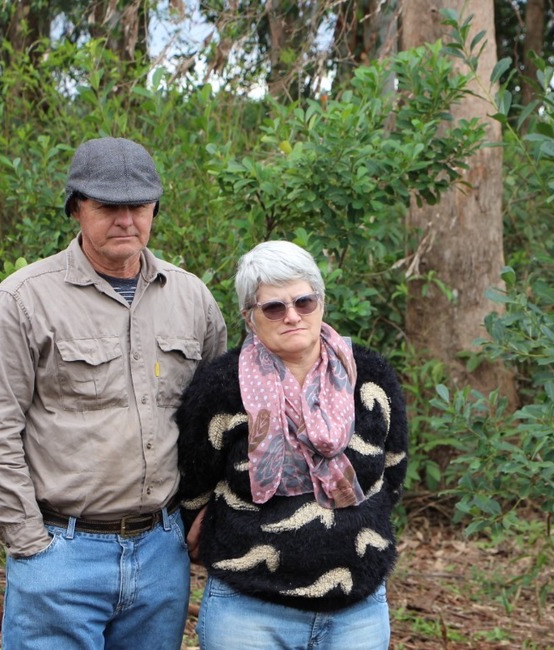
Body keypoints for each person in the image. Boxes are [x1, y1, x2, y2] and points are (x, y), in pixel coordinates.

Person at [0, 137, 229, 648]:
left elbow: (217, 419)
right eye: (108, 206)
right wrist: (32, 546)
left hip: (160, 557)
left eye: (139, 206)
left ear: (155, 209)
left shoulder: (192, 299)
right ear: (76, 208)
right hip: (61, 554)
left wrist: (205, 512)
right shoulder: (23, 301)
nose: (126, 220)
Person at [174, 240, 409, 650]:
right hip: (248, 611)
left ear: (321, 303)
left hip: (357, 609)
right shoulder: (220, 387)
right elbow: (193, 482)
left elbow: (392, 473)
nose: (293, 316)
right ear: (250, 316)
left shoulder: (371, 376)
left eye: (304, 301)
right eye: (274, 308)